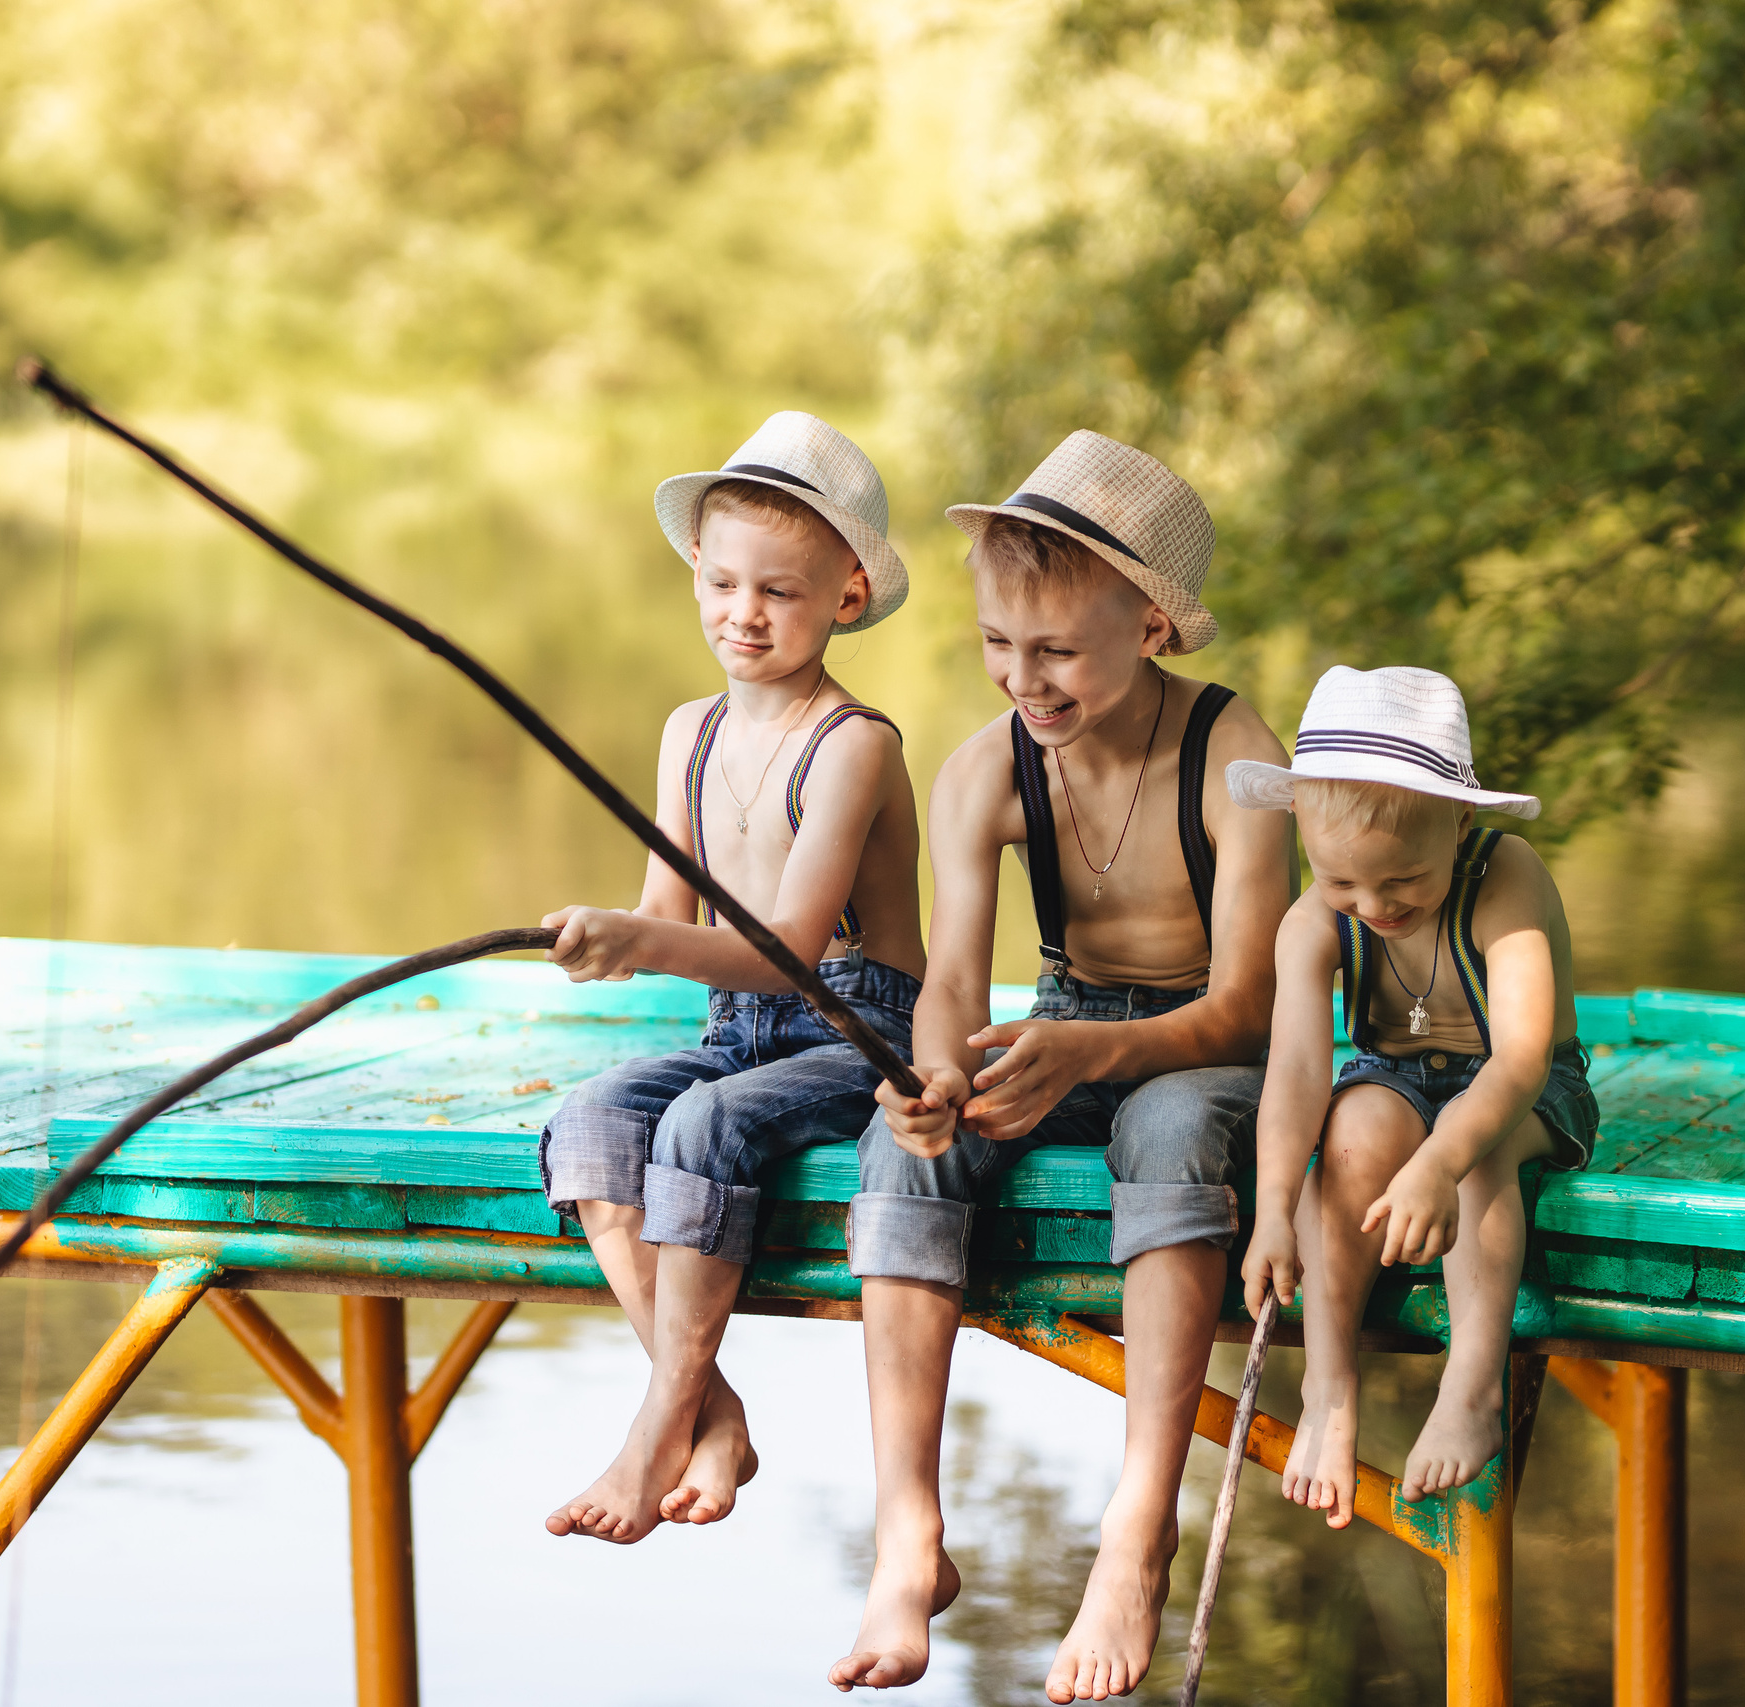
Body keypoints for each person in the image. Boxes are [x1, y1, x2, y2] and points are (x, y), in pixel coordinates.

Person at [829, 432, 1292, 1702]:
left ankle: (1137, 1530)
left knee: (1174, 1129)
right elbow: (957, 996)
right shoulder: (987, 768)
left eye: (1056, 652)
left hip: (1209, 1038)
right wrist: (933, 1081)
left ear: (1148, 628)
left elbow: (1253, 1011)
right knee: (903, 1147)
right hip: (1069, 1017)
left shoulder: (1235, 755)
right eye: (996, 646)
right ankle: (908, 1530)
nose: (1021, 680)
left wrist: (1090, 1049)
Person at [535, 413, 925, 1544]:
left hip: (853, 1034)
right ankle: (712, 1408)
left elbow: (793, 948)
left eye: (778, 592)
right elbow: (668, 919)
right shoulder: (688, 732)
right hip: (733, 1031)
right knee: (595, 1121)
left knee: (701, 1127)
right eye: (719, 583)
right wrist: (601, 938)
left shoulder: (855, 744)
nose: (741, 614)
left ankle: (656, 1426)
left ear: (844, 597)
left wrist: (641, 940)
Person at [1232, 666, 1599, 1524]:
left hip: (1525, 1085)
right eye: (1343, 883)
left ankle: (1471, 1385)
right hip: (1392, 1077)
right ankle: (1329, 1385)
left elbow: (1521, 1057)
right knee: (1352, 1133)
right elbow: (1294, 1072)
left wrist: (1438, 1158)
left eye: (1402, 882)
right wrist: (1274, 1208)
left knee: (1484, 1154)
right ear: (1302, 832)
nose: (1373, 905)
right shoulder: (1312, 920)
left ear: (1460, 822)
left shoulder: (1506, 879)